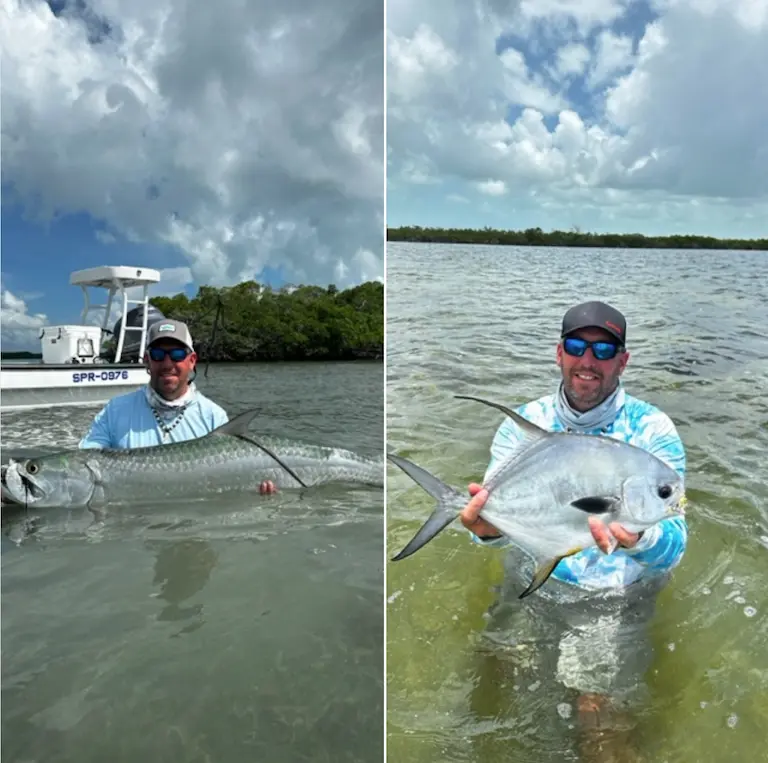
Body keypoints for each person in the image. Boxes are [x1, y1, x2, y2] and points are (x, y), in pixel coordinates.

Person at [459, 300, 687, 761]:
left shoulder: (653, 431)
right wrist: (483, 530)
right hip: (532, 579)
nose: (588, 361)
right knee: (490, 687)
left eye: (604, 350)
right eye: (577, 347)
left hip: (612, 598)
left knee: (599, 721)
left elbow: (676, 545)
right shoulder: (524, 424)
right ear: (559, 353)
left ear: (622, 360)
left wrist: (641, 539)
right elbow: (494, 524)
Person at [79, 318, 277, 494]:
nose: (167, 363)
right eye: (157, 354)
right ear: (147, 361)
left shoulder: (213, 416)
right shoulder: (115, 411)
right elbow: (84, 462)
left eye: (177, 353)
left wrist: (257, 492)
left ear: (192, 361)